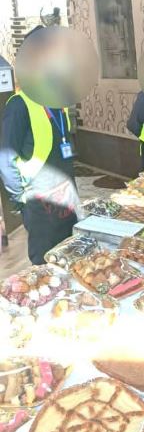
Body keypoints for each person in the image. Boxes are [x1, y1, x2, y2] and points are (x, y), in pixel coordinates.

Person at [0, 27, 79, 265]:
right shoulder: (19, 106)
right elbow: (5, 159)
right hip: (41, 207)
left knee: (71, 256)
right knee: (46, 263)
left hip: (67, 198)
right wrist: (21, 199)